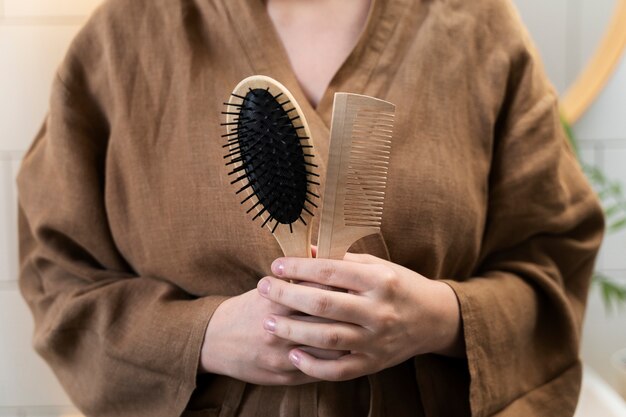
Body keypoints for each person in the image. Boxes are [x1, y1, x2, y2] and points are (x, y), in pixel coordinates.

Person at [16, 0, 604, 415]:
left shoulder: (479, 29)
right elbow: (57, 276)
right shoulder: (124, 37)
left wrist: (440, 319)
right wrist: (201, 337)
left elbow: (553, 261)